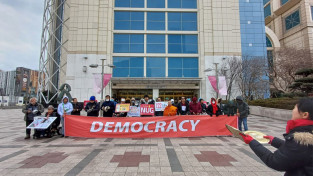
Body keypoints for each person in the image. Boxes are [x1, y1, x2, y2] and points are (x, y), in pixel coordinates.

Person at [239, 98, 313, 175]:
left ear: (305, 114)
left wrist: (252, 142)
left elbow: (274, 161)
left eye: (295, 108)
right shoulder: (307, 135)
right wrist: (274, 141)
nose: (292, 110)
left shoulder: (302, 138)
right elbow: (296, 152)